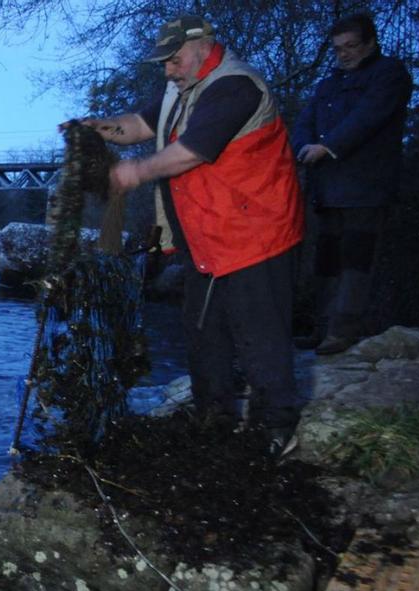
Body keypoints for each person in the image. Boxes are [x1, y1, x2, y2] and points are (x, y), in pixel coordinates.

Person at [64, 15, 305, 455]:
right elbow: (139, 125)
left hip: (257, 234)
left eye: (174, 61)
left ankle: (276, 426)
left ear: (203, 46)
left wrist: (132, 172)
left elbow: (191, 152)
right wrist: (98, 127)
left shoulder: (237, 87)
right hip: (206, 238)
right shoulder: (181, 88)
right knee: (203, 334)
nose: (168, 71)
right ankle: (214, 417)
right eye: (164, 64)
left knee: (261, 337)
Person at [291, 13, 412, 355]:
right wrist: (302, 147)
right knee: (326, 261)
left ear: (371, 43)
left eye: (351, 46)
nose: (344, 54)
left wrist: (328, 147)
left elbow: (368, 118)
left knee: (356, 262)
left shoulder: (389, 74)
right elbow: (305, 120)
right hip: (327, 188)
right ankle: (321, 329)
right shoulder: (329, 83)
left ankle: (342, 332)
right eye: (338, 48)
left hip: (366, 187)